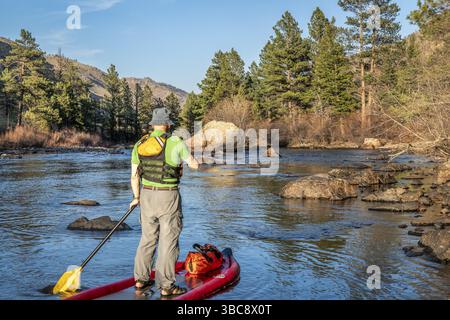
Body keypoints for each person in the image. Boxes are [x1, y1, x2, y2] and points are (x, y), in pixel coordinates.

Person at [129, 107, 199, 296]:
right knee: (168, 241)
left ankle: (140, 281)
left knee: (147, 239)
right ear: (168, 124)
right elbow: (194, 164)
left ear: (153, 124)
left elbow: (134, 176)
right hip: (168, 197)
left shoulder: (140, 144)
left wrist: (136, 198)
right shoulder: (176, 141)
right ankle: (167, 286)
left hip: (146, 196)